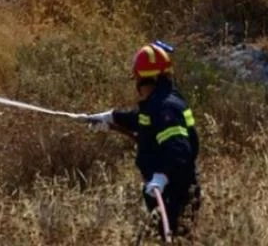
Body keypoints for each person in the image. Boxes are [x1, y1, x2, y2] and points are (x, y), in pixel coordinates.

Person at [82, 41, 201, 240]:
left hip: (175, 193)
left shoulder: (166, 108)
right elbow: (143, 122)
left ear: (148, 81)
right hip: (163, 190)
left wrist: (161, 177)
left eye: (138, 81)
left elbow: (179, 150)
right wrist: (111, 117)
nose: (137, 87)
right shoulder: (159, 102)